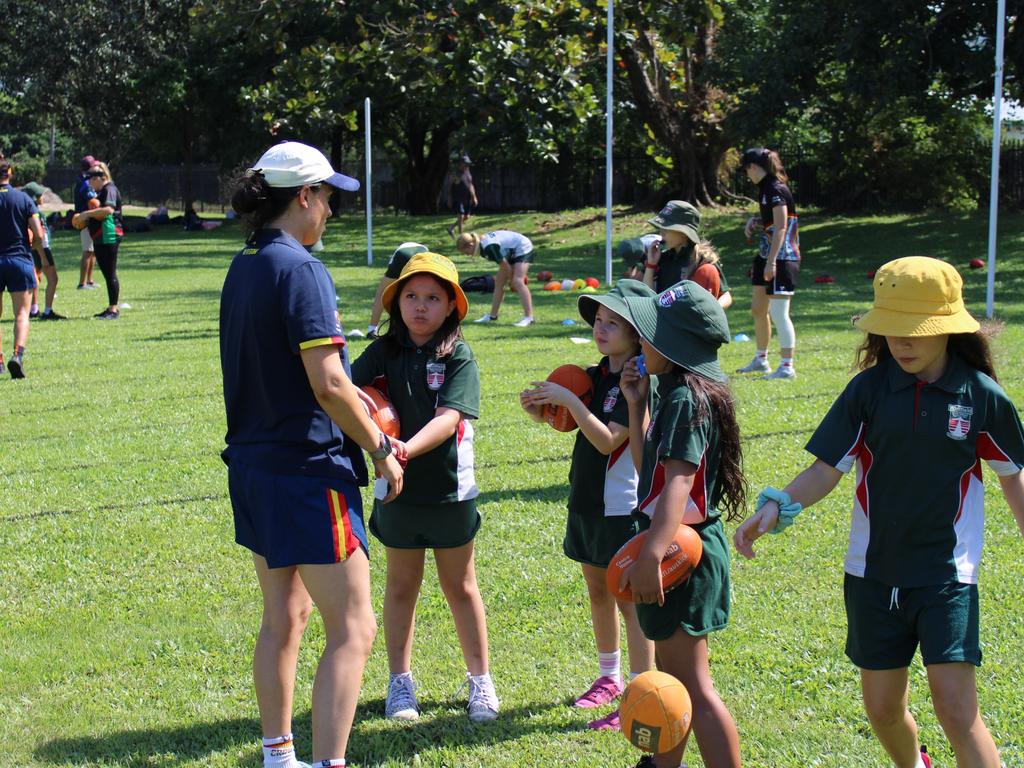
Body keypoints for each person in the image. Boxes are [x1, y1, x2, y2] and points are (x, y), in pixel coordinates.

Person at [734, 256, 1024, 768]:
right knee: (882, 709)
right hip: (872, 574)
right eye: (891, 331)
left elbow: (1012, 474)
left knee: (957, 712)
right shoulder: (867, 391)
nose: (902, 342)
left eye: (915, 331)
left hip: (945, 576)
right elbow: (827, 469)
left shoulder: (981, 397)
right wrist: (779, 506)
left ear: (949, 330)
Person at [221, 141, 402, 768]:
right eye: (327, 198)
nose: (329, 211)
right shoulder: (300, 270)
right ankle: (329, 763)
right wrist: (380, 447)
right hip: (305, 471)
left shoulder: (245, 264)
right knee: (354, 628)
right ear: (303, 196)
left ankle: (278, 755)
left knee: (285, 614)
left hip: (254, 467)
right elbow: (328, 385)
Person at [351, 251, 499, 724]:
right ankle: (400, 683)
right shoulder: (382, 351)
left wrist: (402, 451)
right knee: (400, 586)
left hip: (448, 490)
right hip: (395, 491)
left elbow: (450, 417)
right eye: (411, 296)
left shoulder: (459, 355)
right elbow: (343, 390)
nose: (420, 306)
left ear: (452, 306)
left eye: (433, 298)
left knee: (461, 586)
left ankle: (480, 682)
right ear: (396, 302)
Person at [618, 281, 746, 768]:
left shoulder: (686, 399)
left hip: (680, 553)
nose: (639, 342)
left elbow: (678, 483)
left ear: (674, 347)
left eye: (647, 335)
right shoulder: (671, 392)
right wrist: (635, 405)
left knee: (692, 685)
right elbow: (648, 471)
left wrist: (652, 553)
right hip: (675, 543)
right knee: (673, 680)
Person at [519, 280, 656, 731]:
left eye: (613, 322)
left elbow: (606, 439)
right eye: (598, 320)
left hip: (622, 505)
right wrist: (543, 408)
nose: (601, 328)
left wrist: (569, 403)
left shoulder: (635, 379)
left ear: (637, 334)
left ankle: (640, 691)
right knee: (598, 590)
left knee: (629, 601)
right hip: (585, 500)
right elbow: (572, 422)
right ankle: (609, 677)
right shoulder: (592, 376)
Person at [735, 148, 800, 379]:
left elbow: (782, 227)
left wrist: (771, 262)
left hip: (782, 259)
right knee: (758, 309)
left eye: (746, 170)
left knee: (779, 313)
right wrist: (755, 221)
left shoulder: (775, 189)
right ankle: (761, 360)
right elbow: (773, 222)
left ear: (753, 167)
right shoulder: (765, 190)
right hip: (765, 256)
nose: (746, 175)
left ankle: (786, 366)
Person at [0, 159, 48, 379]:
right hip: (19, 260)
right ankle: (17, 355)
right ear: (9, 173)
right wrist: (34, 248)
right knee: (21, 313)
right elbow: (38, 234)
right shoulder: (24, 198)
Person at [642, 201, 732, 310]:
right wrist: (651, 264)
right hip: (665, 321)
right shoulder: (663, 258)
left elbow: (726, 296)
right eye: (660, 229)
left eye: (667, 229)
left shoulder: (704, 259)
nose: (661, 234)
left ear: (684, 233)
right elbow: (646, 295)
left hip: (692, 324)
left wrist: (712, 311)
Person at [73, 162, 124, 319]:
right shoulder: (102, 190)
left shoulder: (110, 189)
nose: (89, 184)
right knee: (107, 273)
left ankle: (113, 309)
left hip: (108, 234)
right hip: (101, 235)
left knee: (110, 273)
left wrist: (86, 214)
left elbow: (108, 210)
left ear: (98, 178)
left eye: (90, 180)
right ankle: (111, 307)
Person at [455, 230, 534, 327]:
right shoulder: (482, 246)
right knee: (499, 283)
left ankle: (529, 318)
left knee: (518, 281)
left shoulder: (488, 247)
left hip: (522, 246)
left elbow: (505, 265)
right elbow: (504, 263)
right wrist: (510, 280)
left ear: (470, 245)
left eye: (465, 252)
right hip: (511, 251)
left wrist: (512, 282)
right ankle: (493, 316)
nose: (467, 255)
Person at [22, 182, 67, 321]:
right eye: (40, 195)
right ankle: (48, 311)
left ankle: (34, 309)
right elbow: (38, 234)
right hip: (42, 248)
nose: (42, 197)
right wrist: (43, 256)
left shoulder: (24, 210)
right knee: (53, 279)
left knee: (36, 279)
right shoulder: (36, 212)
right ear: (34, 197)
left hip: (32, 249)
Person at [366, 242, 428, 337]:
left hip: (403, 254)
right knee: (422, 293)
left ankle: (372, 329)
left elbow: (383, 294)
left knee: (382, 291)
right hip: (424, 256)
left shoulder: (401, 253)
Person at [73, 154, 98, 290]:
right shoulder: (85, 183)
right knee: (87, 251)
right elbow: (92, 201)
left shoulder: (85, 180)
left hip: (90, 220)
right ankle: (82, 283)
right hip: (86, 220)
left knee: (93, 251)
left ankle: (90, 281)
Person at [445, 155, 477, 239]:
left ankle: (451, 227)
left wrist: (474, 197)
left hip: (467, 198)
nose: (466, 165)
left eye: (467, 164)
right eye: (465, 164)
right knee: (461, 216)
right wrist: (449, 198)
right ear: (460, 163)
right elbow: (449, 187)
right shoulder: (454, 174)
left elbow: (470, 185)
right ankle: (461, 237)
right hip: (457, 198)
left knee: (467, 216)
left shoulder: (468, 173)